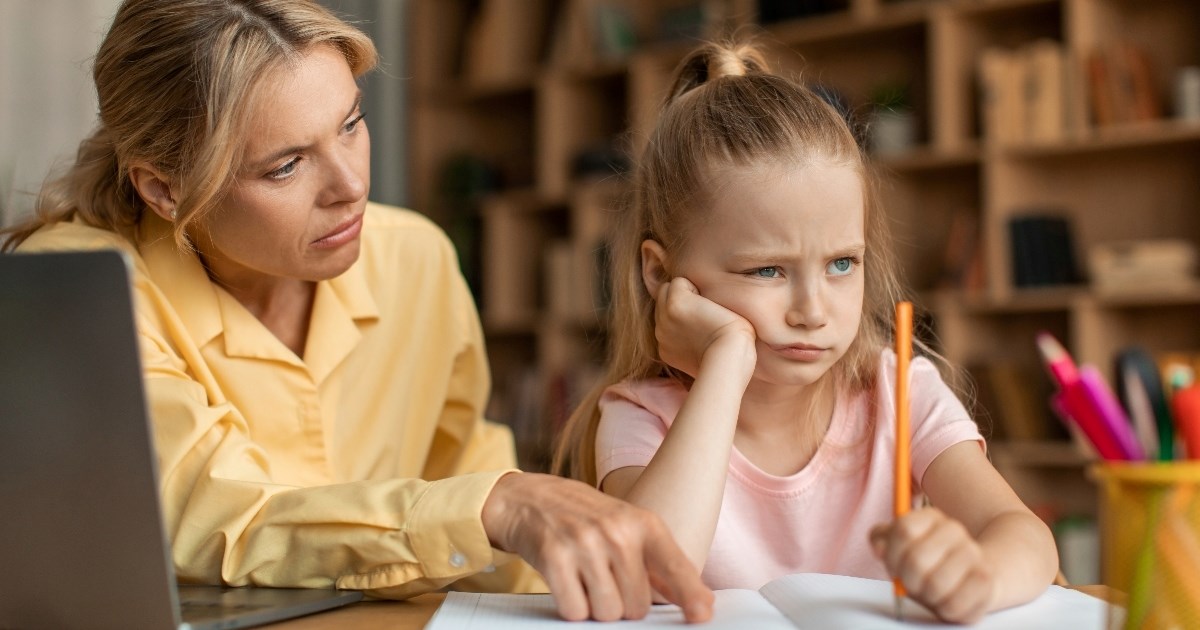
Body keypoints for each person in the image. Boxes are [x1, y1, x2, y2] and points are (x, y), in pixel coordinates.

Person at [0, 0, 714, 623]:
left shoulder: (417, 260)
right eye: (285, 166)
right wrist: (490, 506)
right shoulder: (77, 286)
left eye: (351, 123)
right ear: (163, 189)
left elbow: (471, 487)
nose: (350, 186)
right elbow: (213, 514)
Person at [552, 40, 1059, 625]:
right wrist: (725, 361)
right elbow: (652, 576)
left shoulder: (899, 392)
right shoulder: (639, 416)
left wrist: (982, 575)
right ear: (662, 275)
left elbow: (1024, 535)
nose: (813, 310)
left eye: (842, 263)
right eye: (767, 270)